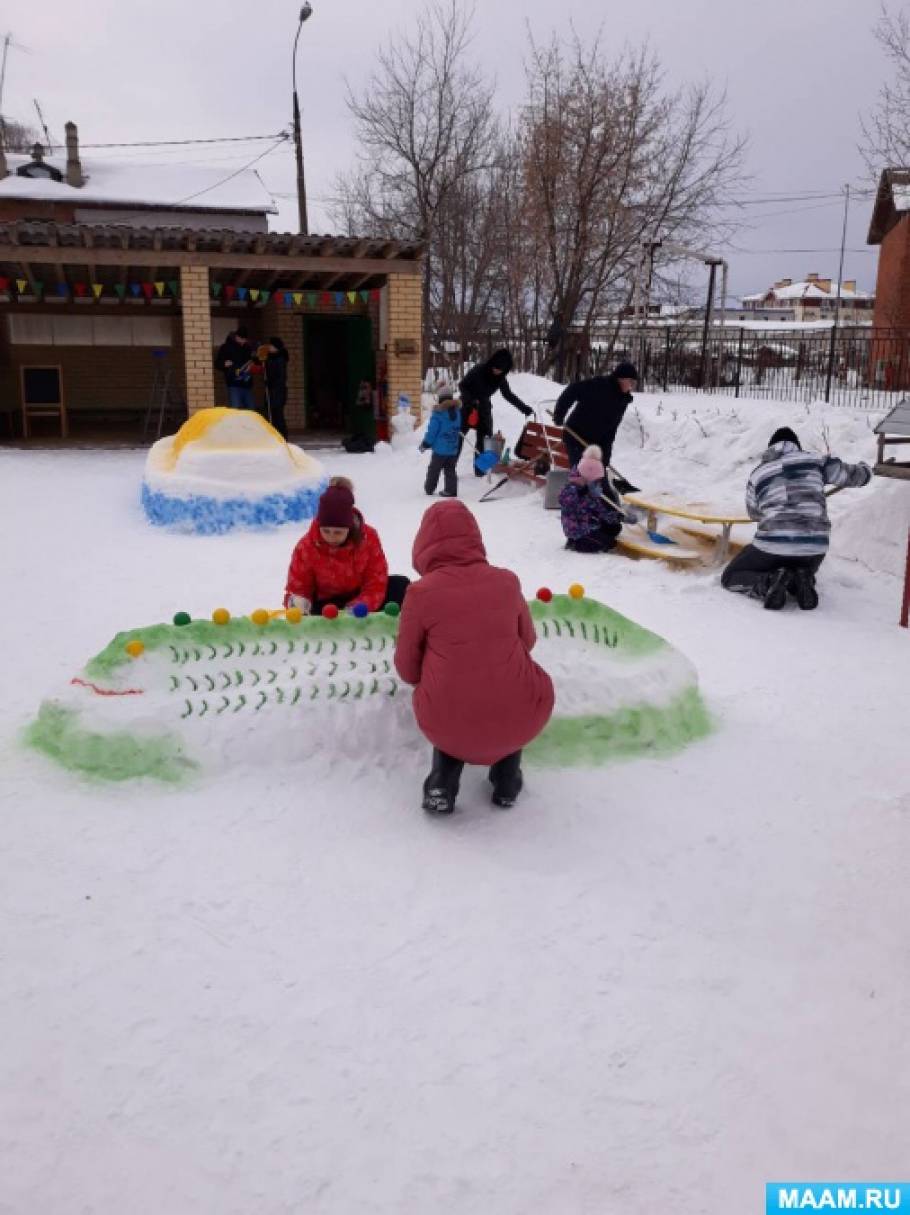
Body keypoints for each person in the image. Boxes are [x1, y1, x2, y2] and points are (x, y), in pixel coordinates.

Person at [394, 501, 555, 815]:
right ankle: (508, 779)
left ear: (423, 544)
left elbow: (407, 669)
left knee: (450, 706)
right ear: (474, 538)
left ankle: (442, 781)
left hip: (448, 720)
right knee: (514, 695)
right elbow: (529, 641)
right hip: (523, 715)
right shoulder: (506, 581)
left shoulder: (420, 594)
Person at [721, 427, 873, 611]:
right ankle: (802, 578)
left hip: (772, 548)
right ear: (797, 446)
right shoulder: (816, 461)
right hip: (814, 549)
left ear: (770, 448)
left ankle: (768, 582)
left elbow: (754, 514)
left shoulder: (757, 474)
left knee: (731, 576)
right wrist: (867, 470)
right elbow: (851, 475)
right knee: (799, 563)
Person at [284, 478, 409, 614]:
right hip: (326, 605)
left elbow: (376, 580)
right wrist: (299, 602)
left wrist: (358, 607)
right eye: (326, 531)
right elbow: (299, 586)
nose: (331, 537)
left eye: (338, 532)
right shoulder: (306, 546)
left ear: (349, 528)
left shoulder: (368, 538)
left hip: (360, 598)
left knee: (401, 585)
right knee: (310, 607)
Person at [553, 360, 639, 472]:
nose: (631, 387)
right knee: (581, 476)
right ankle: (575, 488)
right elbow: (573, 390)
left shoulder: (622, 401)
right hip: (575, 436)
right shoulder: (599, 385)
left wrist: (606, 455)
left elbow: (611, 430)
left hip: (594, 444)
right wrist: (560, 413)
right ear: (620, 379)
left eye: (634, 383)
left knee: (600, 480)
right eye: (631, 382)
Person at [459, 348, 532, 476]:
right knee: (458, 438)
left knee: (484, 439)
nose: (496, 371)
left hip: (484, 409)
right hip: (468, 407)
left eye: (500, 370)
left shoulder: (501, 378)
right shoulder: (478, 370)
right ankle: (450, 468)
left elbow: (508, 395)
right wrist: (470, 400)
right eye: (495, 368)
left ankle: (480, 470)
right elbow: (462, 385)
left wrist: (524, 408)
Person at [559, 445, 627, 553]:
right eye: (596, 480)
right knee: (609, 543)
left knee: (615, 528)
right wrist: (585, 491)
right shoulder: (571, 489)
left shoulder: (593, 490)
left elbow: (602, 511)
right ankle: (575, 544)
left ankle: (595, 538)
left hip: (590, 525)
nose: (598, 483)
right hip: (577, 531)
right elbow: (566, 501)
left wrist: (620, 517)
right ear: (587, 477)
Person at [420, 388, 461, 497]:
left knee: (434, 469)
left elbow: (432, 431)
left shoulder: (438, 414)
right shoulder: (457, 412)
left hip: (439, 450)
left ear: (440, 399)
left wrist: (426, 443)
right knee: (450, 469)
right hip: (453, 448)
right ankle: (451, 490)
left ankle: (429, 488)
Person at [215, 327, 256, 411]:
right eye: (242, 339)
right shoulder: (226, 347)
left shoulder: (247, 347)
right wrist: (224, 364)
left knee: (251, 410)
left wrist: (252, 364)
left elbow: (252, 360)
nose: (244, 341)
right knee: (236, 409)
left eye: (245, 339)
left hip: (247, 382)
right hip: (233, 383)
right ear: (237, 337)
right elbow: (217, 363)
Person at [263, 337, 289, 440]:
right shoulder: (271, 357)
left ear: (276, 347)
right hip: (272, 390)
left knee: (278, 414)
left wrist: (270, 381)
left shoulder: (279, 359)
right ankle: (274, 435)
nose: (269, 347)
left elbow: (280, 376)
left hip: (278, 391)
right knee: (272, 414)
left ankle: (282, 436)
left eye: (271, 346)